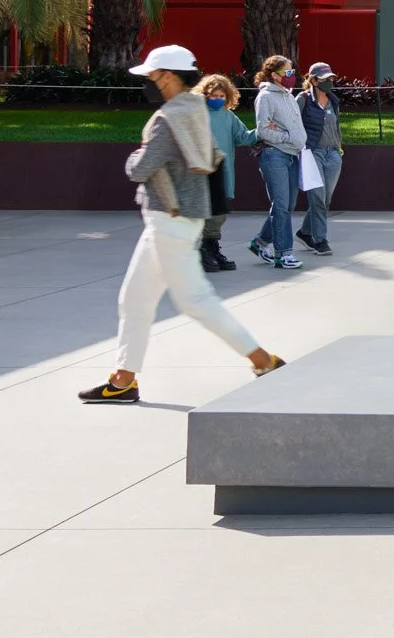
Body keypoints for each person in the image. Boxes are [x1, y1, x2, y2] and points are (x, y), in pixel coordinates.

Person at [80, 45, 284, 403]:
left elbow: (139, 169)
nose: (148, 82)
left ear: (169, 77)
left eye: (152, 76)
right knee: (134, 300)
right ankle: (124, 379)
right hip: (182, 219)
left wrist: (134, 156)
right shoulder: (196, 110)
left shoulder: (167, 118)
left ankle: (264, 360)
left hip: (168, 221)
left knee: (195, 300)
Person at [246, 54, 306, 270]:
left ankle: (261, 242)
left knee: (287, 206)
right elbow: (263, 129)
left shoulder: (288, 95)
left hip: (291, 155)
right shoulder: (266, 97)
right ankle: (284, 254)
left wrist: (295, 140)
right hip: (274, 155)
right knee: (281, 205)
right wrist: (288, 138)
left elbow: (285, 126)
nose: (292, 76)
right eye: (288, 72)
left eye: (292, 71)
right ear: (274, 75)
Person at [195, 73, 254, 273]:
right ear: (204, 95)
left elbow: (243, 136)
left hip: (224, 171)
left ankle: (211, 247)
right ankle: (204, 248)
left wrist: (263, 130)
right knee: (207, 211)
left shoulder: (229, 116)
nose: (217, 99)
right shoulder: (197, 115)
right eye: (213, 96)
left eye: (221, 96)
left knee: (219, 213)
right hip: (203, 172)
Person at [295, 61, 343, 257]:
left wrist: (339, 144)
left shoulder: (333, 101)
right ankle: (320, 240)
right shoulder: (303, 99)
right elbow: (293, 122)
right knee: (317, 198)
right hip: (312, 153)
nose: (329, 82)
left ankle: (305, 232)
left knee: (325, 199)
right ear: (313, 80)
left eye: (331, 78)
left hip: (333, 153)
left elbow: (337, 125)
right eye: (324, 79)